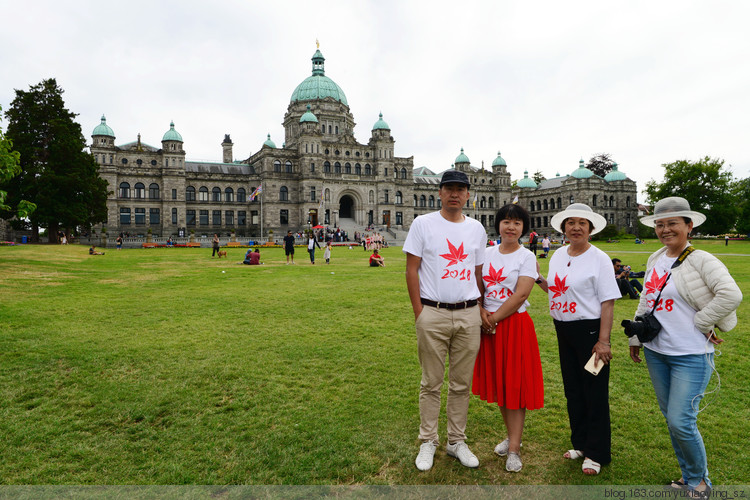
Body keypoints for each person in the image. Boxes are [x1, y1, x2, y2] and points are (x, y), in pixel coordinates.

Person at [628, 197, 742, 496]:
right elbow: (646, 300)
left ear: (689, 226)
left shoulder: (702, 259)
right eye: (660, 224)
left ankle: (701, 482)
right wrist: (636, 337)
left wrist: (704, 321)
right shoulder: (656, 259)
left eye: (672, 224)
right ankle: (688, 477)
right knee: (673, 419)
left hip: (691, 354)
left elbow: (731, 295)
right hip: (658, 352)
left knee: (681, 420)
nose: (665, 230)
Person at [403, 169, 488, 472]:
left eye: (460, 189)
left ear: (468, 194)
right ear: (439, 192)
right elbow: (411, 270)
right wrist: (419, 312)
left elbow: (478, 274)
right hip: (433, 312)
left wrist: (480, 308)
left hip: (468, 313)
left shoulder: (477, 229)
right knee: (431, 382)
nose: (454, 194)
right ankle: (428, 440)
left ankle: (456, 441)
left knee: (461, 383)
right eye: (449, 188)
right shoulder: (423, 224)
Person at [535, 203, 621, 476]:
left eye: (581, 223)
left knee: (594, 391)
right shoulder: (559, 255)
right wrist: (538, 279)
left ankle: (597, 452)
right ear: (563, 228)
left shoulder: (599, 258)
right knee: (573, 389)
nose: (575, 227)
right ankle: (581, 444)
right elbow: (558, 290)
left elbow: (608, 301)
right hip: (564, 329)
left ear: (590, 228)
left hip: (591, 332)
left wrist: (604, 341)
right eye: (570, 222)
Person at [473, 204, 544, 473]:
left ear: (524, 228)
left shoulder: (525, 257)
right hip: (487, 324)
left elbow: (521, 294)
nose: (511, 227)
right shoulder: (487, 252)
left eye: (516, 223)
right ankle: (511, 436)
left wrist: (494, 318)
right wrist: (481, 311)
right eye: (506, 222)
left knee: (515, 385)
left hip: (512, 325)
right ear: (498, 225)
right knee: (502, 385)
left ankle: (514, 448)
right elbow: (477, 284)